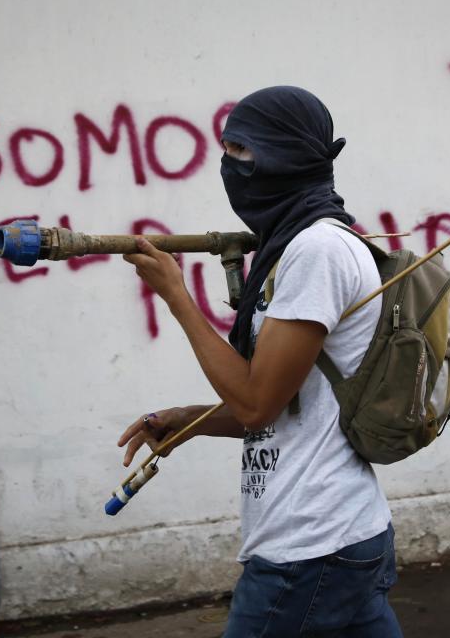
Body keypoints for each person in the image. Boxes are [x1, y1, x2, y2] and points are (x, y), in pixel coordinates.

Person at [118, 86, 402, 637]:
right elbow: (286, 404)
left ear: (286, 155)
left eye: (243, 151)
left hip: (310, 545)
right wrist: (190, 420)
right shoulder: (295, 244)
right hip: (340, 536)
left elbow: (256, 405)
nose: (229, 165)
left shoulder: (316, 251)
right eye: (226, 150)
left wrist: (177, 296)